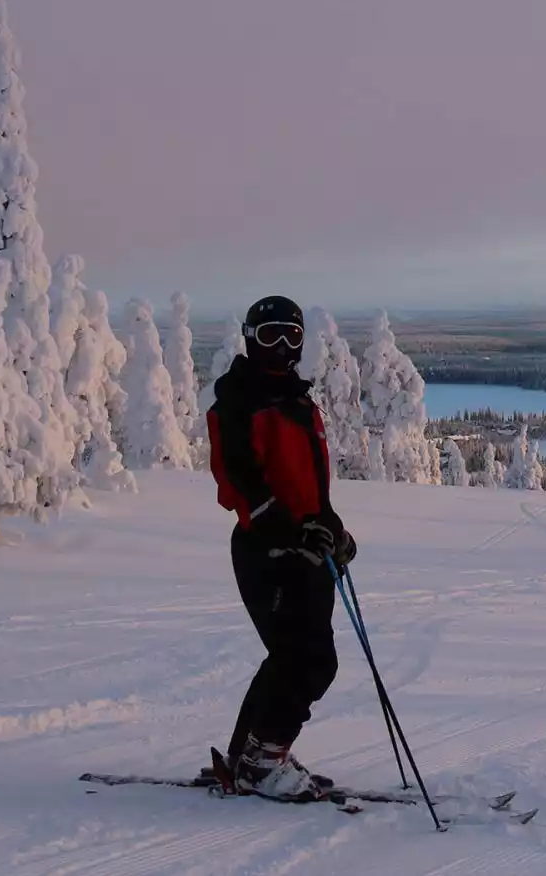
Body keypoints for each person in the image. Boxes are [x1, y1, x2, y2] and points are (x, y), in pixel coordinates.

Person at [207, 295, 357, 796]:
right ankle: (263, 761)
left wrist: (332, 527)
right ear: (251, 340)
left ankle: (250, 755)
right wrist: (292, 532)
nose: (282, 347)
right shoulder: (238, 401)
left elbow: (311, 484)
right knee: (310, 659)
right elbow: (238, 486)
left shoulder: (297, 401)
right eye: (269, 336)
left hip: (306, 552)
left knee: (290, 656)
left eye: (292, 336)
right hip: (266, 551)